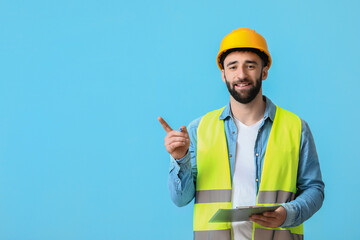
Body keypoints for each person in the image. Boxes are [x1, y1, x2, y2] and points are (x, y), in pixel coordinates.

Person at [158, 27, 324, 240]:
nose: (241, 74)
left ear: (264, 71)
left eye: (250, 66)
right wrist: (180, 159)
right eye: (233, 66)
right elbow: (180, 199)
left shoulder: (296, 128)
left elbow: (314, 189)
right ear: (223, 74)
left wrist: (287, 214)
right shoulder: (198, 129)